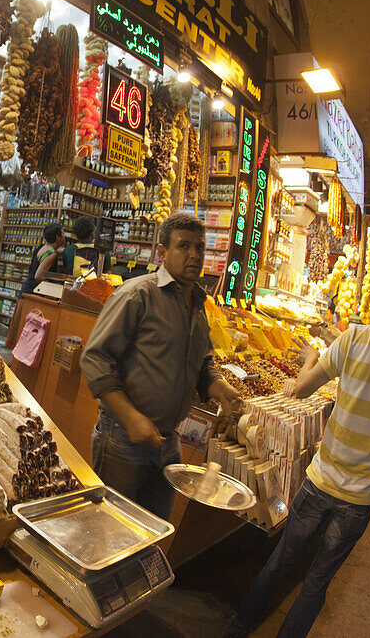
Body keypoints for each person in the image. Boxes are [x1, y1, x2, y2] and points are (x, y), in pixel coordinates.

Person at [225, 264, 370, 638]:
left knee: (281, 561)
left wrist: (309, 357)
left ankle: (238, 628)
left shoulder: (354, 338)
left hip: (321, 480)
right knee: (318, 580)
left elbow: (302, 389)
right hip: (362, 496)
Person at [80, 213, 240, 519]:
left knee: (153, 529)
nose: (194, 255)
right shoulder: (137, 294)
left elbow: (201, 359)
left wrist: (218, 386)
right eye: (183, 246)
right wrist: (131, 417)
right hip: (123, 438)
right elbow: (95, 358)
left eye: (200, 247)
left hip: (169, 442)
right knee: (111, 529)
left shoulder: (199, 305)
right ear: (162, 253)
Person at [20, 223, 64, 297]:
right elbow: (38, 276)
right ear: (58, 237)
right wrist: (54, 289)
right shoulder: (52, 254)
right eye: (63, 233)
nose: (64, 236)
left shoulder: (43, 247)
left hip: (27, 290)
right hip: (34, 294)